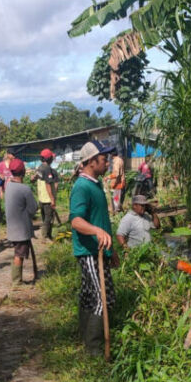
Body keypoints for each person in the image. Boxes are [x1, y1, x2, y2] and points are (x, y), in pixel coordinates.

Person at [69, 141, 120, 356]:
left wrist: (112, 249)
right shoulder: (82, 187)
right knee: (101, 298)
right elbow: (76, 221)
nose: (107, 162)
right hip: (89, 251)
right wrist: (97, 233)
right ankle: (95, 348)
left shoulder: (95, 183)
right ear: (91, 162)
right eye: (103, 159)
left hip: (99, 251)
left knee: (89, 295)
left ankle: (85, 336)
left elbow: (101, 221)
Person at [5, 158, 38, 285]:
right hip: (21, 230)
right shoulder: (25, 189)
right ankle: (16, 281)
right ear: (23, 172)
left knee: (18, 252)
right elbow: (33, 209)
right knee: (19, 254)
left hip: (12, 229)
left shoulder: (9, 186)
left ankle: (17, 279)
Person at [32, 148, 59, 241]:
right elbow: (48, 184)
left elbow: (33, 179)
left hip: (41, 198)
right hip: (47, 198)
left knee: (45, 218)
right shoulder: (47, 169)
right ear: (49, 158)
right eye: (51, 157)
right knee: (49, 218)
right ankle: (45, 237)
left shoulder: (40, 167)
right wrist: (52, 199)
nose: (52, 158)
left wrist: (33, 177)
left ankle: (48, 235)